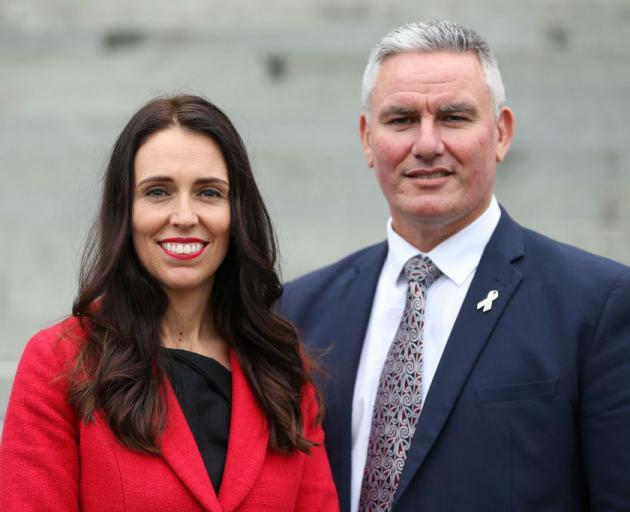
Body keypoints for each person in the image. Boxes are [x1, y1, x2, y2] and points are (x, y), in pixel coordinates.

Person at [279, 19, 630, 512]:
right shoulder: (298, 311)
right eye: (401, 120)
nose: (426, 144)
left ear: (501, 134)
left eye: (453, 117)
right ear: (366, 139)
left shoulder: (597, 306)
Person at [0, 95, 339, 511]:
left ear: (237, 214)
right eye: (158, 191)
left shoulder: (282, 371)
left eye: (209, 192)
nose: (184, 215)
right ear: (125, 211)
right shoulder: (61, 362)